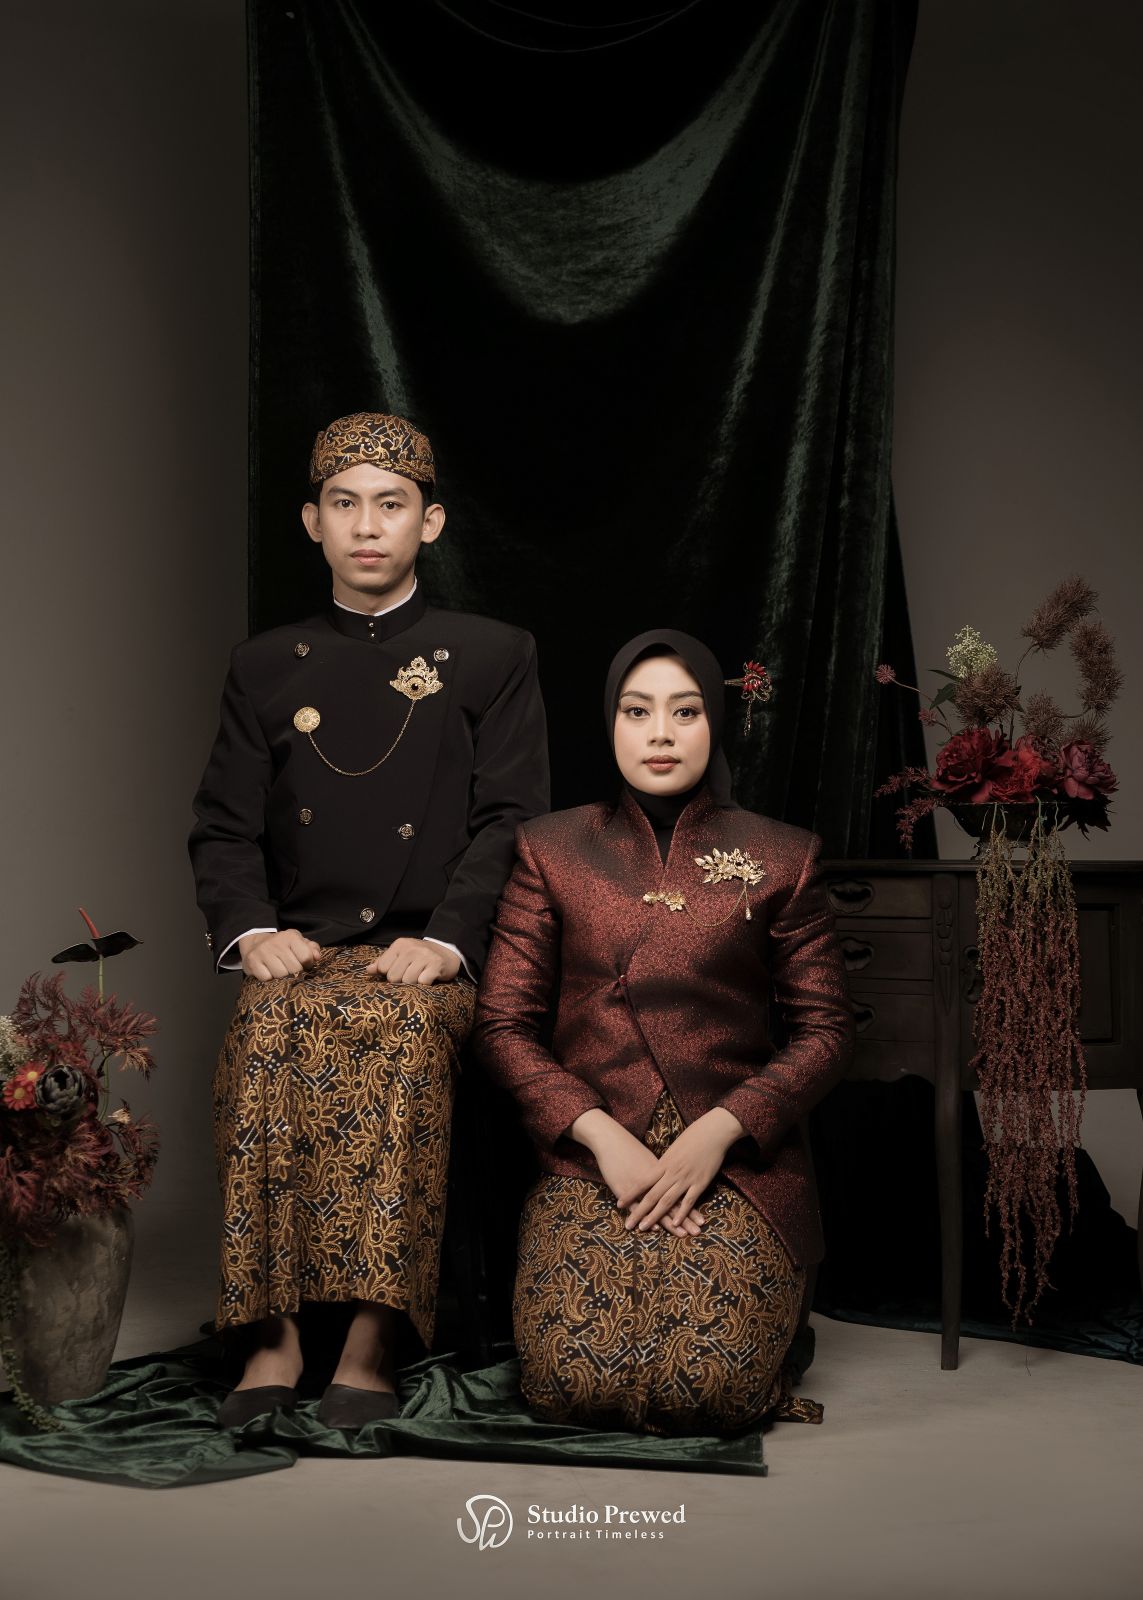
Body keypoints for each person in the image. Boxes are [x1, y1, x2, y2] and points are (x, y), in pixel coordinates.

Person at [189, 410, 548, 1430]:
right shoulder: (265, 664)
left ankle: (374, 1333)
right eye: (343, 504)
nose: (366, 525)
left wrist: (445, 941)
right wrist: (250, 931)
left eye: (391, 505)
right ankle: (270, 1332)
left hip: (429, 951)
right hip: (304, 949)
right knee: (266, 1027)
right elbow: (222, 826)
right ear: (312, 522)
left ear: (429, 522)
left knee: (393, 1033)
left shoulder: (492, 654)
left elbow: (512, 818)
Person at [473, 629, 853, 1436]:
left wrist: (721, 1130)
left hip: (739, 1156)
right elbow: (502, 1024)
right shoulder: (550, 848)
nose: (659, 733)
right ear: (609, 724)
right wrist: (597, 1135)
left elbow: (825, 1032)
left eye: (684, 712)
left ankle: (780, 1322)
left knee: (705, 1388)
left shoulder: (782, 854)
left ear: (714, 721)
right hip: (591, 1149)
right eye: (636, 711)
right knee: (570, 1380)